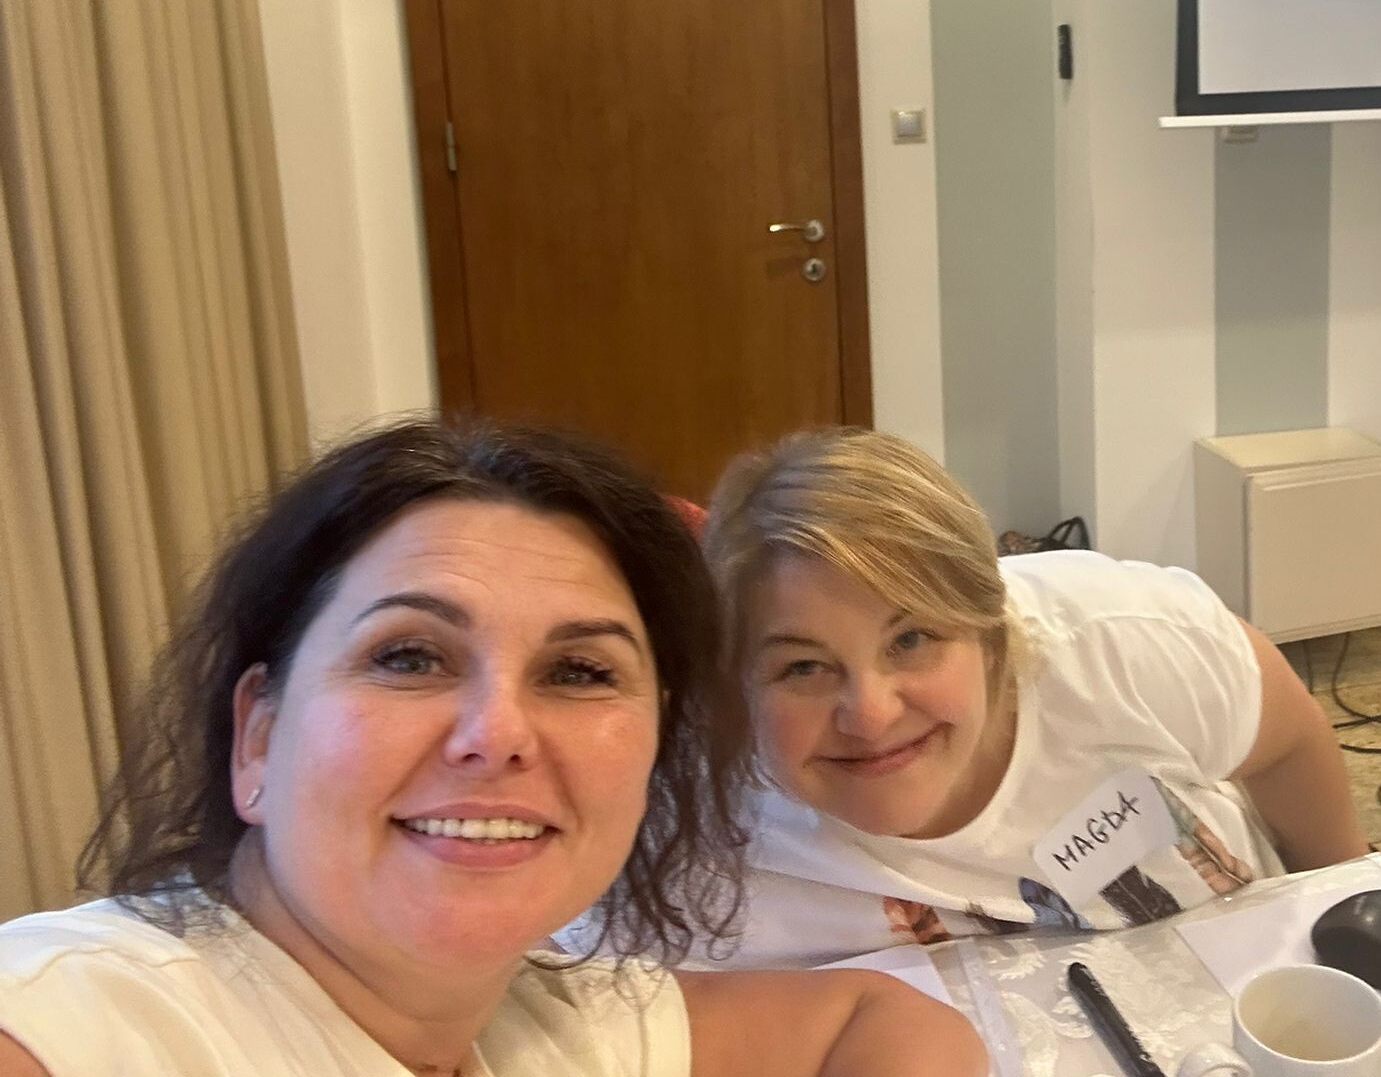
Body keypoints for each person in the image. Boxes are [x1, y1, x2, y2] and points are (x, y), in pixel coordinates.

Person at [0, 420, 985, 1077]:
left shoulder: (558, 1030)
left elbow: (885, 1023)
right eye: (410, 657)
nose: (499, 734)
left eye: (579, 672)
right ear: (258, 737)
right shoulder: (78, 1029)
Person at [696, 427, 1371, 967]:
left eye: (911, 639)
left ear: (991, 635)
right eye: (804, 668)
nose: (870, 714)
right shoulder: (696, 823)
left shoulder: (1121, 641)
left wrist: (1353, 919)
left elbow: (1289, 738)